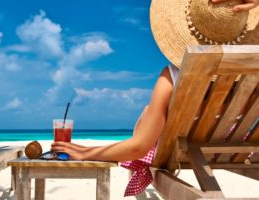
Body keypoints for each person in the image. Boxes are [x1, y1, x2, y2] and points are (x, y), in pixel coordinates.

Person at [52, 0, 258, 196]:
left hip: (182, 149)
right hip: (235, 149)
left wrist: (86, 153)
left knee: (147, 112)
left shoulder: (173, 76)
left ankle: (135, 172)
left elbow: (138, 147)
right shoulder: (254, 76)